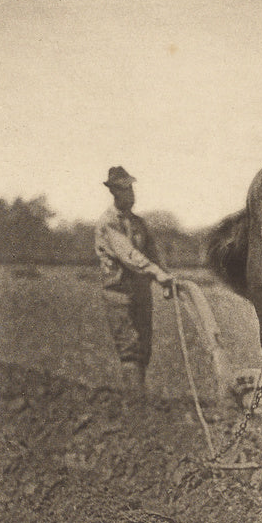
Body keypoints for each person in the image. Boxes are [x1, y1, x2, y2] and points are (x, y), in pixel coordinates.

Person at [94, 166, 174, 391]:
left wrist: (165, 276)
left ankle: (139, 403)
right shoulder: (109, 223)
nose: (131, 194)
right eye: (125, 189)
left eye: (131, 188)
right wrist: (156, 273)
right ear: (114, 193)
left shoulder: (139, 223)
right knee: (130, 350)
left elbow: (153, 253)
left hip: (141, 293)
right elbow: (128, 254)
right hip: (119, 295)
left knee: (144, 349)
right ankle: (136, 406)